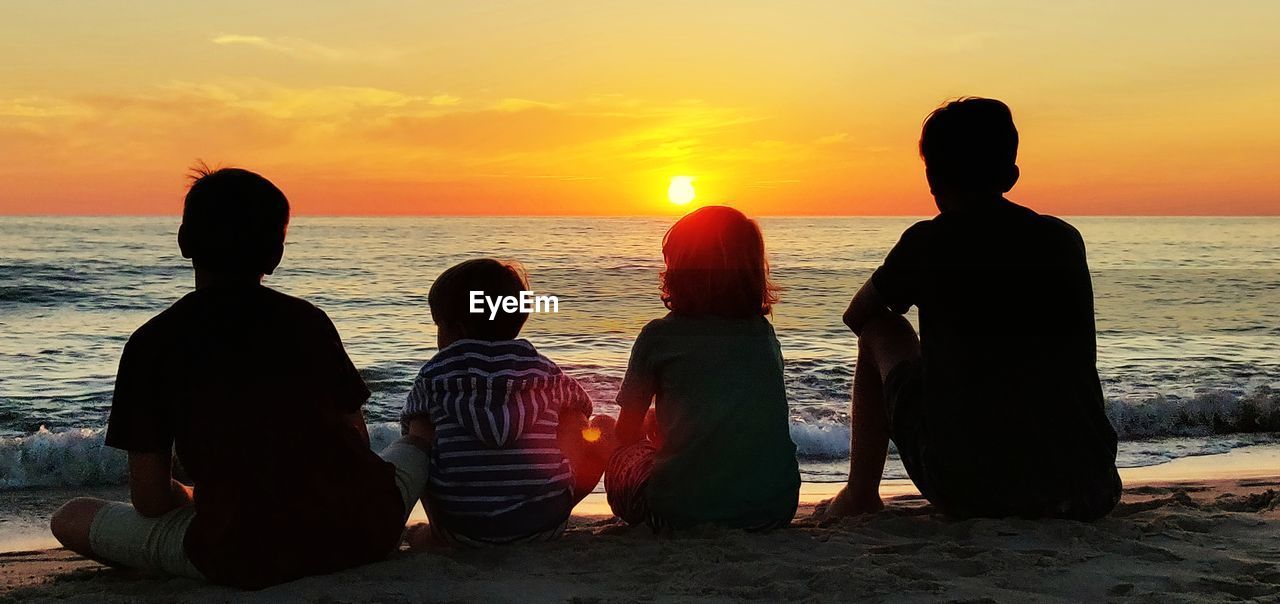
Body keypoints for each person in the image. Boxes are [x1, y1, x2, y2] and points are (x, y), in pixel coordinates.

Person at [49, 166, 429, 589]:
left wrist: (194, 498)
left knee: (70, 517)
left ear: (183, 241)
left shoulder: (151, 343)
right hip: (367, 529)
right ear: (276, 255)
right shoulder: (308, 321)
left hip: (246, 554)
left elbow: (151, 500)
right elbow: (356, 439)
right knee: (412, 446)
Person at [820, 98, 1122, 521]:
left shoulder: (928, 243)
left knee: (880, 329)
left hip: (973, 490)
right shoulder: (1062, 240)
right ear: (1011, 176)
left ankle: (860, 494)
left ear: (931, 178)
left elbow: (858, 316)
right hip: (1090, 486)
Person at [605, 206, 800, 530]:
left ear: (679, 271)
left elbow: (625, 432)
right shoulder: (762, 334)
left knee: (603, 432)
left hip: (677, 515)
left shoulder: (659, 335)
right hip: (774, 509)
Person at [401, 259, 614, 546]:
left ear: (458, 329)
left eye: (439, 326)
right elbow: (583, 405)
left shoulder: (433, 374)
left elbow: (411, 430)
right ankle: (552, 504)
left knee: (419, 432)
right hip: (543, 528)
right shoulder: (546, 372)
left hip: (458, 530)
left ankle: (438, 529)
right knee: (593, 422)